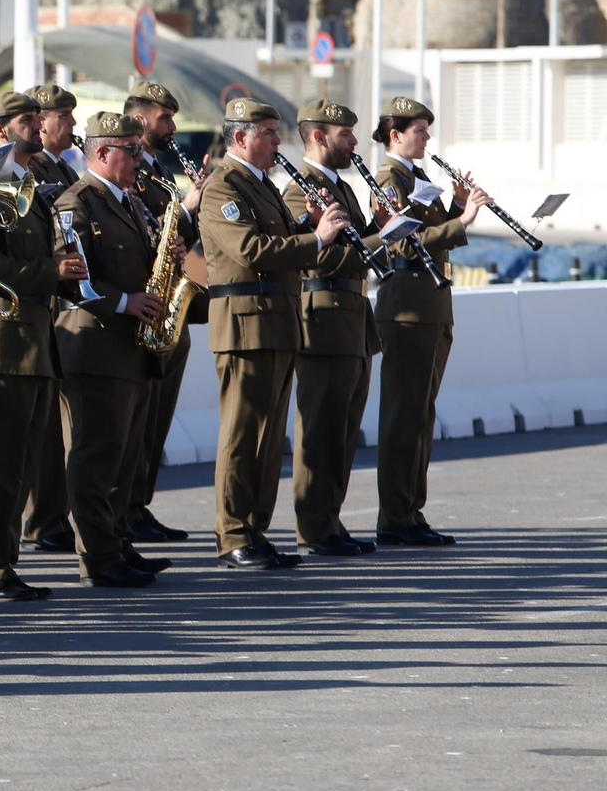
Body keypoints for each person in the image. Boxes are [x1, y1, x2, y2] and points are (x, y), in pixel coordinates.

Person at [197, 98, 350, 570]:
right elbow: (251, 250)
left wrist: (307, 225)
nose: (277, 141)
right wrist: (318, 238)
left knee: (268, 438)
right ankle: (233, 533)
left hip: (279, 321)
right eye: (268, 132)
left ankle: (256, 528)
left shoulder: (259, 185)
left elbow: (280, 243)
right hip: (245, 324)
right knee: (243, 435)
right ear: (241, 138)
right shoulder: (223, 187)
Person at [0, 91, 87, 601]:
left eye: (37, 118)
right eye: (25, 120)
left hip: (30, 335)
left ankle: (2, 563)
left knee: (20, 463)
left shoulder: (27, 185)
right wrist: (47, 272)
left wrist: (64, 274)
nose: (37, 125)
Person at [52, 112, 178, 588]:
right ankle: (98, 556)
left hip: (132, 348)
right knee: (95, 455)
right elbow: (72, 279)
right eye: (131, 149)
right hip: (96, 346)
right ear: (102, 153)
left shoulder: (132, 202)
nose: (140, 158)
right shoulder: (76, 203)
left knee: (125, 456)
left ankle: (119, 543)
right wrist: (126, 301)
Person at [371, 96, 488, 545]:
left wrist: (459, 208)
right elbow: (401, 244)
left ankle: (410, 510)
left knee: (422, 414)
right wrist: (465, 221)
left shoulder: (418, 177)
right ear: (396, 134)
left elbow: (435, 241)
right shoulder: (388, 179)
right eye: (419, 131)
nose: (427, 138)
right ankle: (394, 516)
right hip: (407, 309)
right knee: (403, 414)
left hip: (432, 307)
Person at [281, 99, 385, 557]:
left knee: (343, 429)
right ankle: (313, 525)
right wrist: (383, 238)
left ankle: (331, 518)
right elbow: (312, 255)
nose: (355, 142)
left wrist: (383, 224)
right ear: (319, 136)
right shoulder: (297, 191)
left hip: (352, 319)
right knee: (320, 429)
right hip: (322, 319)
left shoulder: (339, 187)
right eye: (346, 134)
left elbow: (362, 247)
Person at [122, 81, 203, 543]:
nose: (171, 128)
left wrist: (191, 208)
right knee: (138, 419)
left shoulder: (159, 172)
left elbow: (177, 240)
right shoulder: (135, 172)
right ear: (138, 120)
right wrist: (188, 207)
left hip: (169, 304)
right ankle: (126, 507)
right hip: (144, 307)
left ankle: (139, 502)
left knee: (156, 417)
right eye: (164, 118)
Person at [18, 83, 79, 552]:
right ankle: (43, 519)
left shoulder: (58, 167)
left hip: (55, 303)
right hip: (39, 304)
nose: (69, 125)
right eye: (62, 116)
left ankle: (53, 515)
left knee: (52, 426)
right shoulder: (28, 170)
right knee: (41, 430)